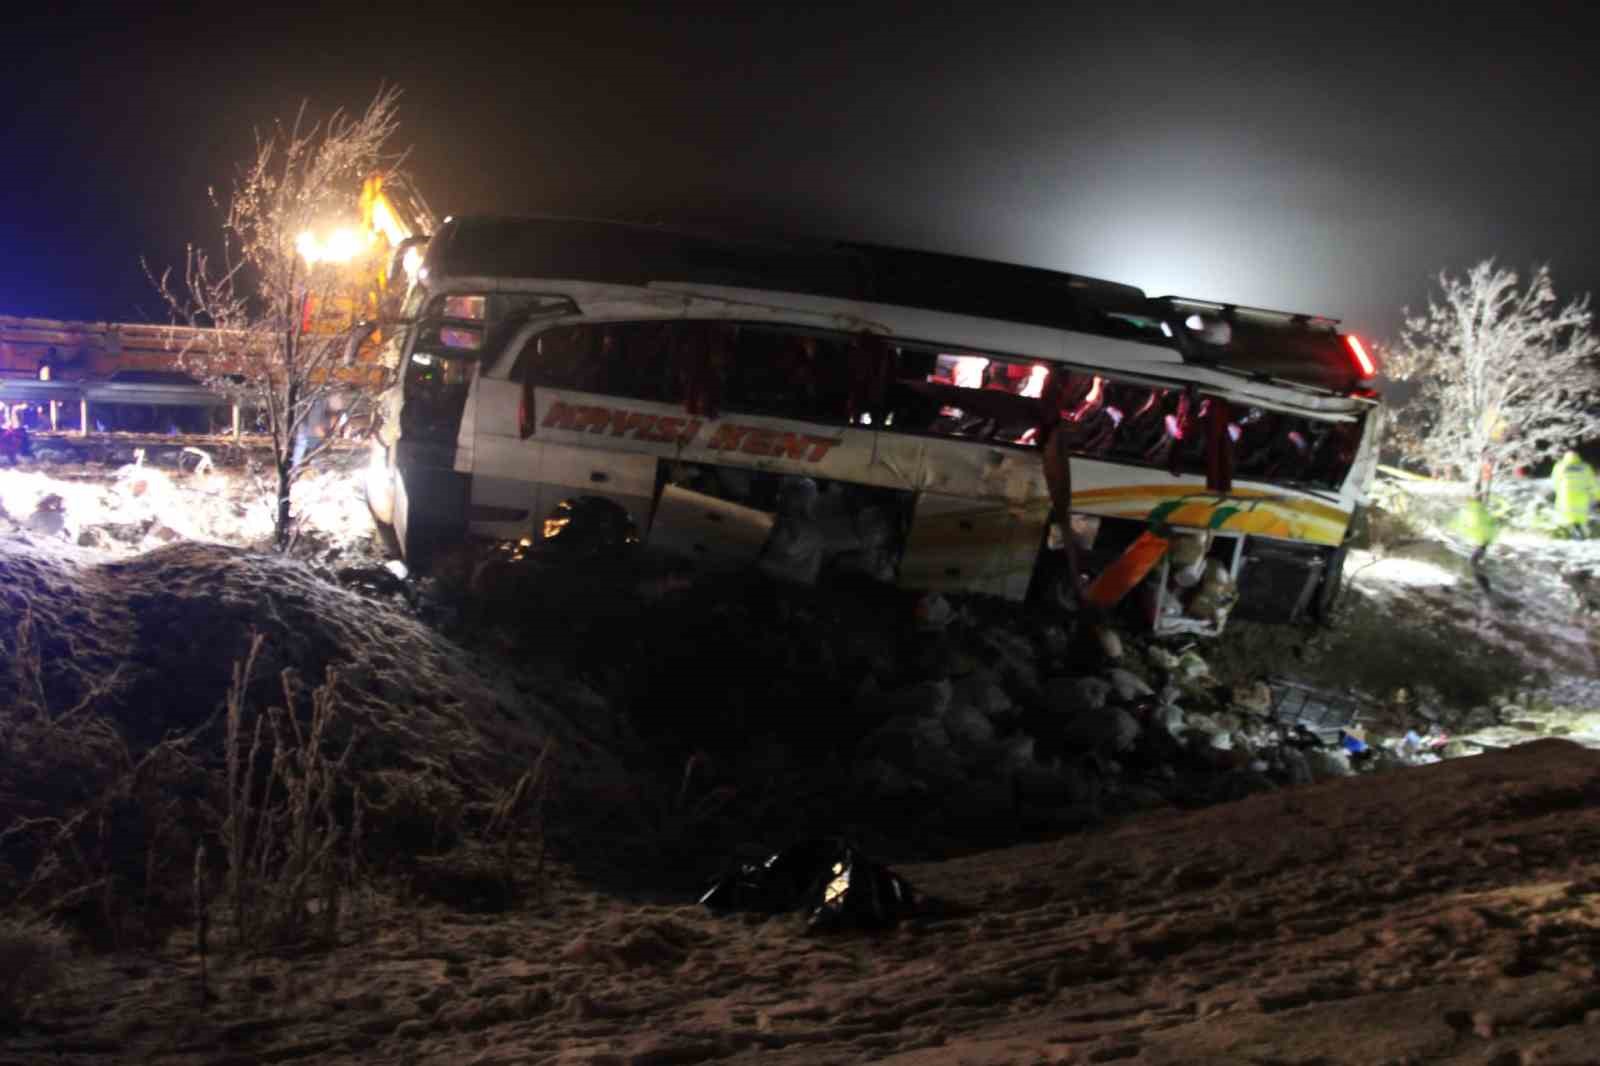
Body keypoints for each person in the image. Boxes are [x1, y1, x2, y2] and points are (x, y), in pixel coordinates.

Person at [1551, 450, 1596, 539]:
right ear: (1578, 458)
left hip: (1565, 498)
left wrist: (1559, 492)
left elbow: (1555, 483)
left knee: (1567, 518)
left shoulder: (1559, 466)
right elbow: (1593, 484)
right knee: (1579, 520)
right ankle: (1579, 533)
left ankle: (1569, 534)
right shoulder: (1585, 467)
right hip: (1581, 499)